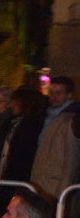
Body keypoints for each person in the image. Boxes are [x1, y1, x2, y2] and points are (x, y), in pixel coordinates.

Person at [30, 76, 80, 205]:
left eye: (59, 93)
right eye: (52, 92)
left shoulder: (71, 120)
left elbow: (71, 160)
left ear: (69, 95)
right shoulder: (47, 115)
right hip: (43, 182)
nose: (54, 97)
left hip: (54, 187)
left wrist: (62, 196)